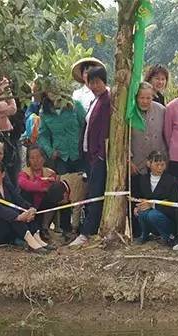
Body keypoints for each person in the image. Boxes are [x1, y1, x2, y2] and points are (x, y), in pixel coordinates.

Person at [69, 66, 111, 248]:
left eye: (97, 82)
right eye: (90, 82)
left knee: (95, 194)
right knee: (90, 194)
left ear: (104, 81)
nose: (94, 85)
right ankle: (88, 230)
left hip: (98, 157)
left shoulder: (107, 100)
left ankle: (87, 232)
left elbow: (105, 130)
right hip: (89, 155)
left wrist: (100, 155)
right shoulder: (95, 100)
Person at [0, 160, 50, 252]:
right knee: (13, 217)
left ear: (3, 174)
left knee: (26, 213)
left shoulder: (7, 185)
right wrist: (17, 217)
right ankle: (31, 243)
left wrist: (30, 208)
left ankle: (38, 240)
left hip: (3, 225)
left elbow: (18, 199)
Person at [36, 77, 86, 177]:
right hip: (61, 157)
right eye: (50, 90)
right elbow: (43, 135)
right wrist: (50, 151)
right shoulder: (44, 112)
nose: (53, 93)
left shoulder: (75, 105)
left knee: (82, 185)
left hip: (79, 154)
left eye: (55, 89)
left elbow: (85, 126)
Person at [132, 150, 178, 245]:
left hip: (166, 218)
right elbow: (138, 196)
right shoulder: (142, 179)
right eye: (156, 164)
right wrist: (137, 206)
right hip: (148, 214)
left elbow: (174, 204)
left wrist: (153, 205)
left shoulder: (172, 181)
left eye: (162, 165)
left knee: (153, 214)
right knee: (141, 212)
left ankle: (168, 236)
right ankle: (144, 234)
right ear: (149, 164)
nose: (159, 168)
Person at [18, 146, 67, 238]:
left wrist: (39, 185)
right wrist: (42, 186)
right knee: (25, 193)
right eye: (32, 158)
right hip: (29, 207)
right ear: (28, 160)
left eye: (38, 157)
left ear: (44, 159)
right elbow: (24, 184)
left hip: (44, 207)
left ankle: (45, 228)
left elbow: (54, 187)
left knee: (55, 192)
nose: (35, 160)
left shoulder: (50, 172)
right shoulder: (24, 172)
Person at [130, 82, 167, 178]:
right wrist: (128, 161)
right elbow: (124, 140)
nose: (145, 101)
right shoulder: (130, 113)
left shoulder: (162, 110)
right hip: (137, 165)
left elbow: (168, 135)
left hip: (158, 163)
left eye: (148, 98)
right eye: (141, 98)